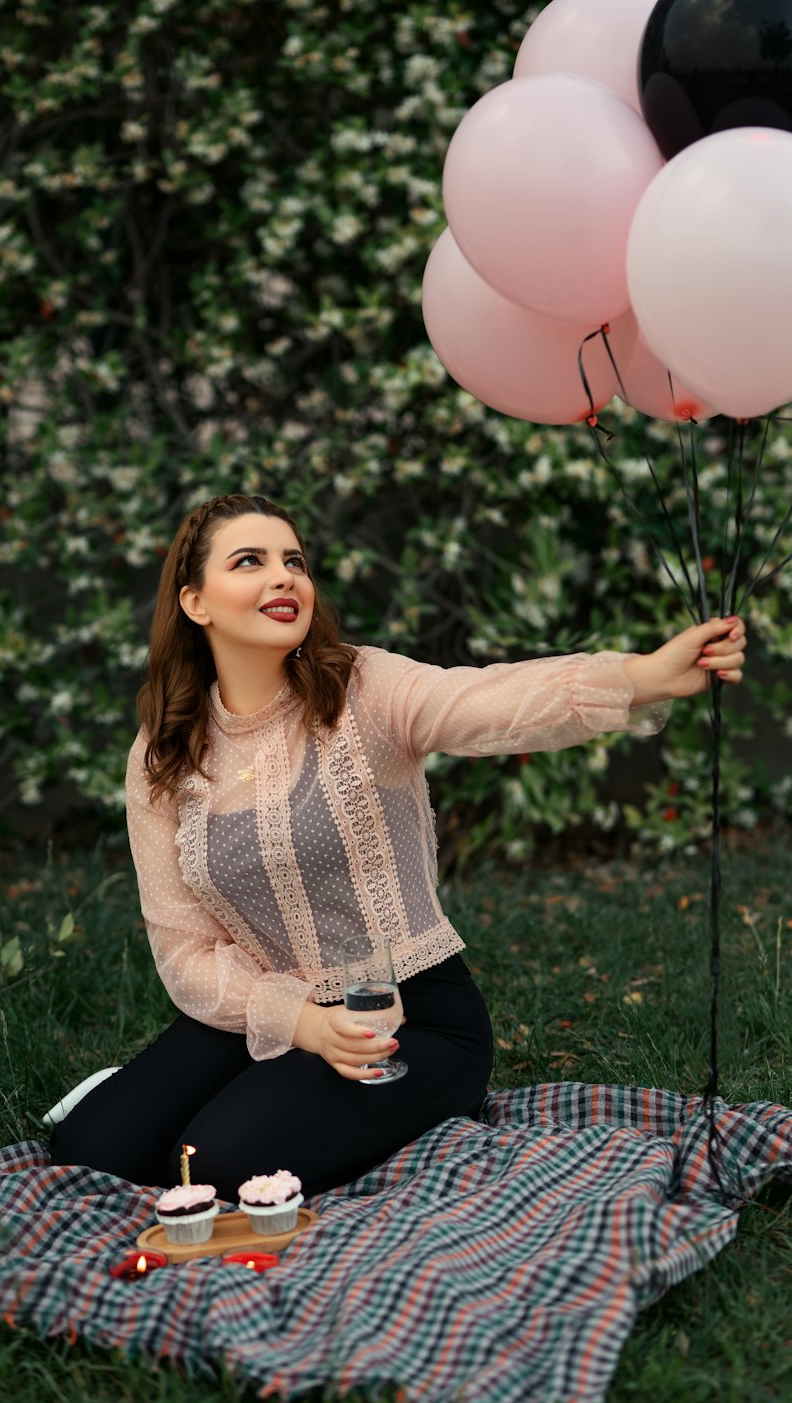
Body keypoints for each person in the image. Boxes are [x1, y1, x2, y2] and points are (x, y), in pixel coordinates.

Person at [50, 492, 748, 1199]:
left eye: (294, 560)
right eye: (250, 561)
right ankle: (244, 1090)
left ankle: (401, 1101)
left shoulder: (361, 689)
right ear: (196, 602)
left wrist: (641, 676)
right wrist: (304, 1025)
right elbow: (184, 952)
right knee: (88, 1149)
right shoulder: (164, 751)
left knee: (217, 1161)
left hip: (411, 1021)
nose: (284, 576)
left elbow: (489, 700)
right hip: (269, 1015)